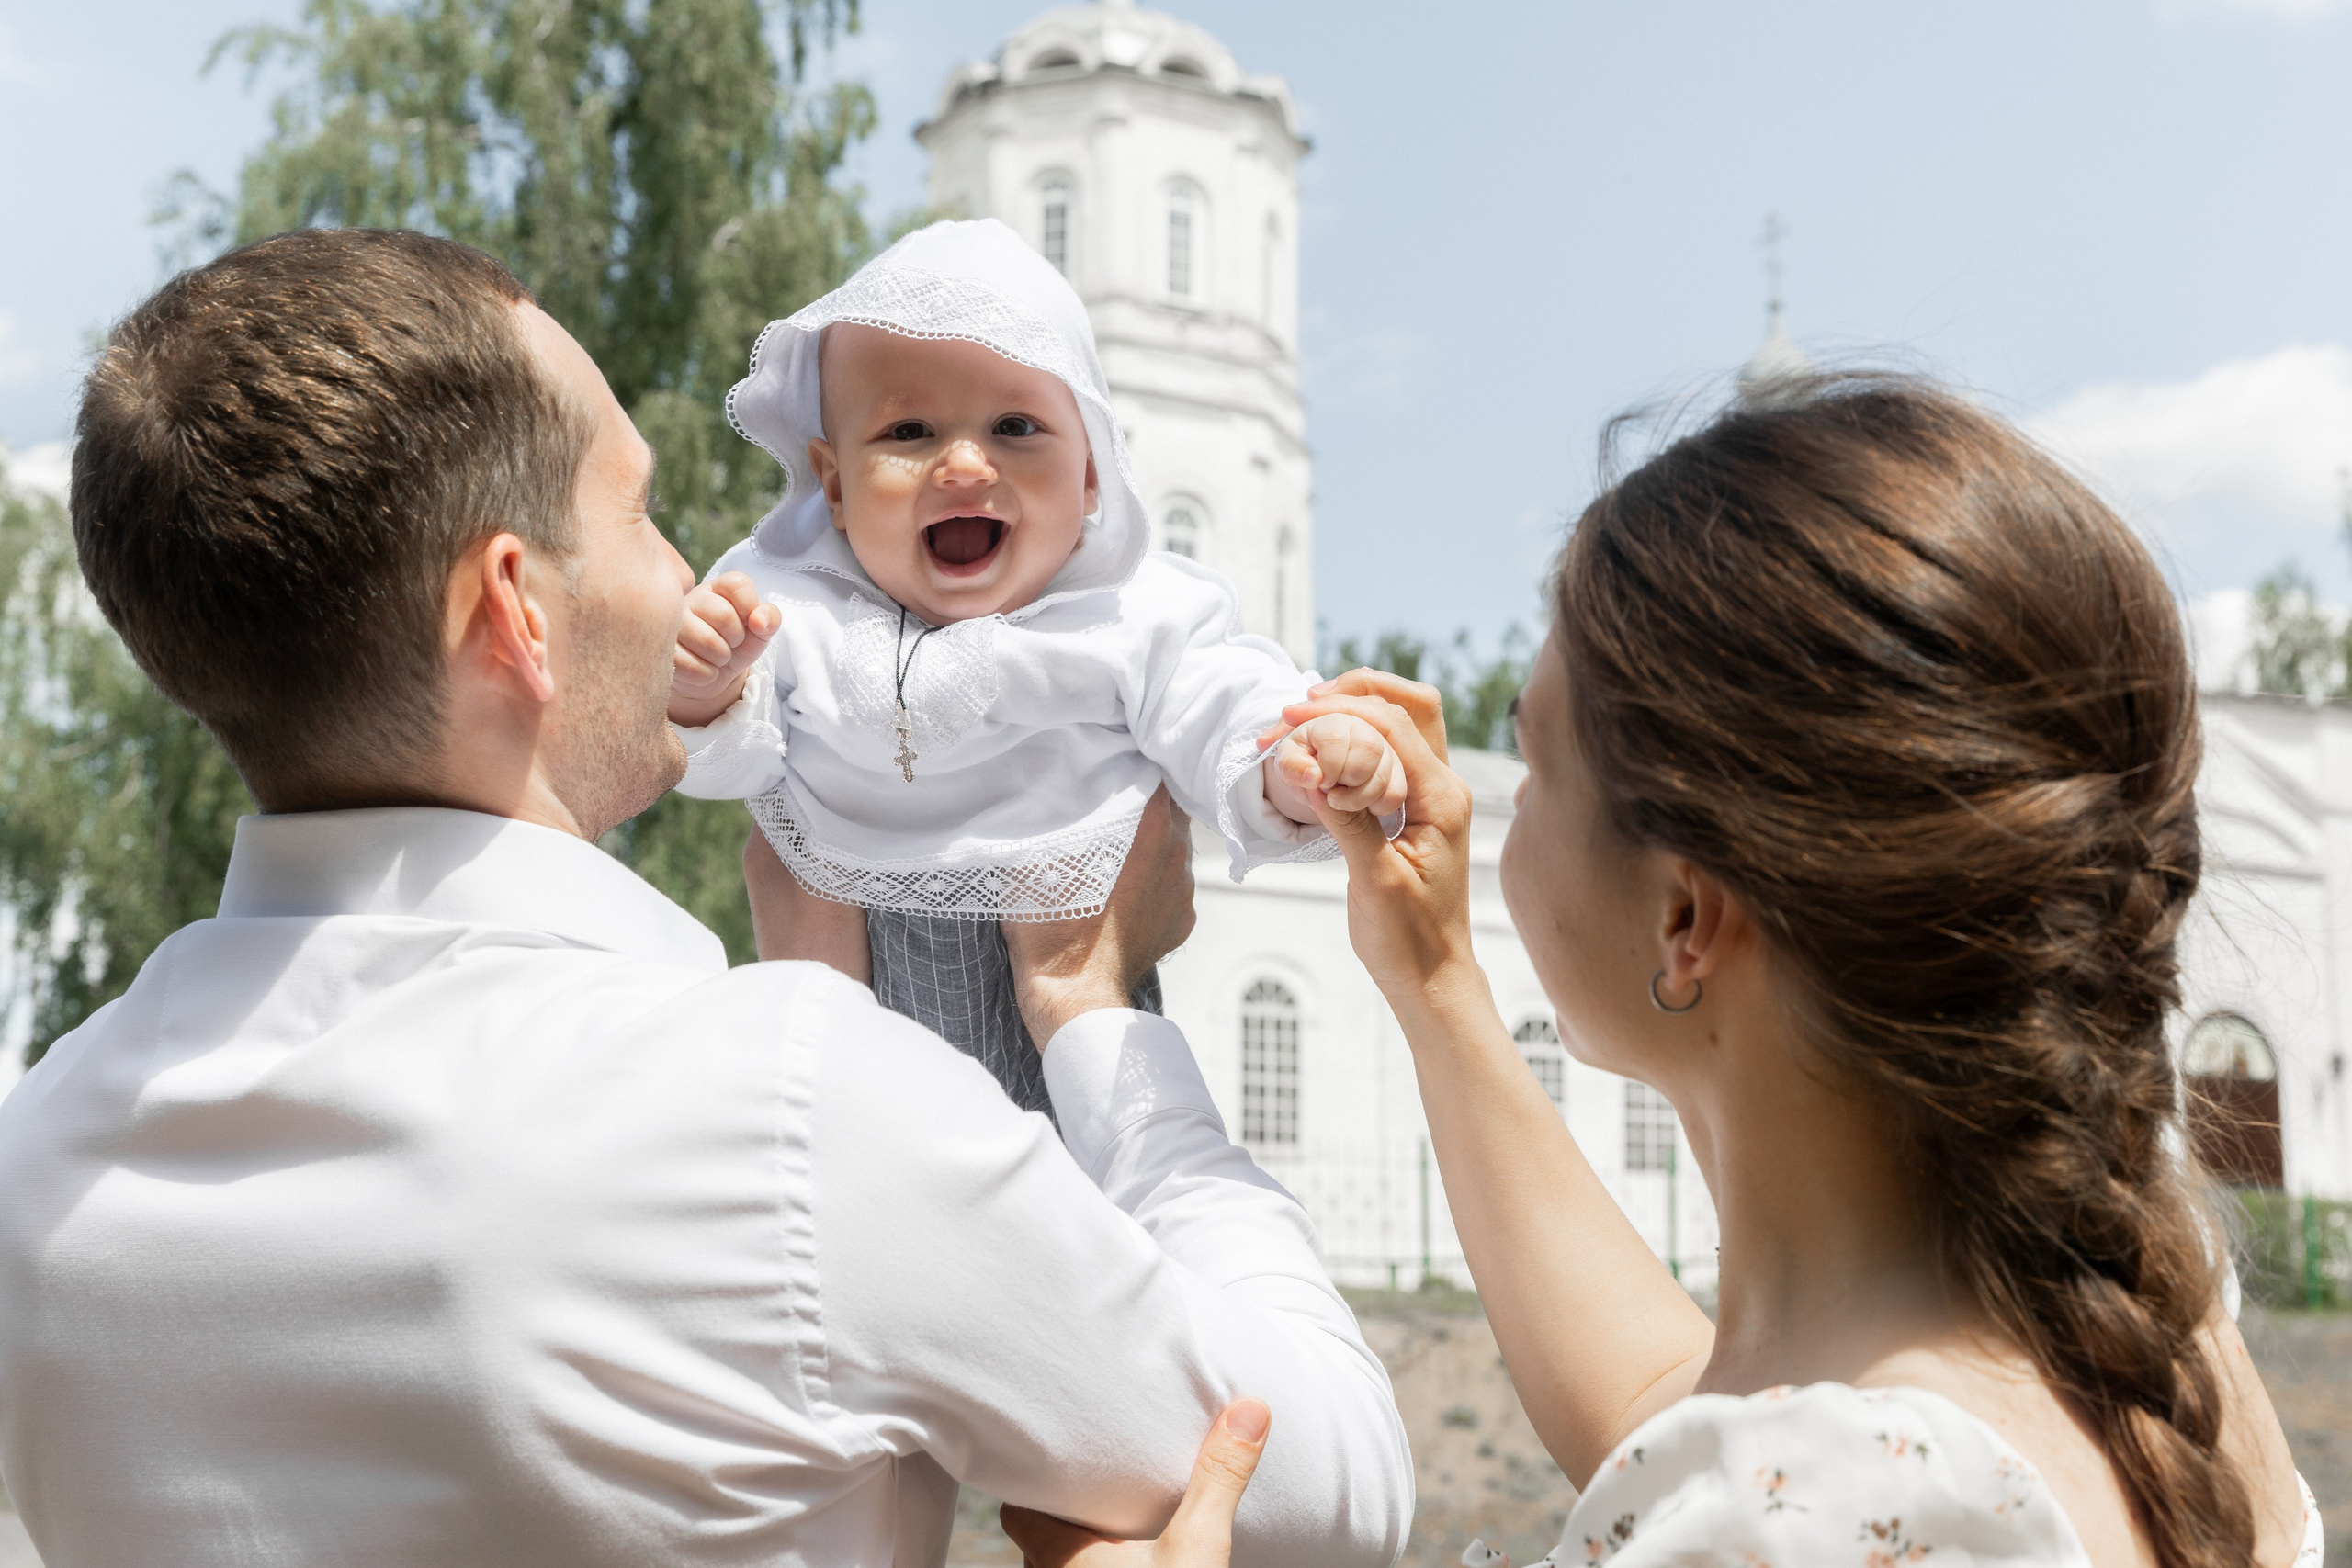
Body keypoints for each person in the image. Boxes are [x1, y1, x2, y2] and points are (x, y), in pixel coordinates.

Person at [0, 227, 1412, 1568]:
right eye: (642, 509)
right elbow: (1331, 1476)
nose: (693, 567)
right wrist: (1097, 1014)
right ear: (517, 610)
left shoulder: (42, 1163)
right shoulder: (789, 1106)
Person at [1060, 377, 2325, 1566]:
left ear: (1683, 914)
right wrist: (1435, 973)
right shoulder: (2145, 1333)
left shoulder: (1810, 1510)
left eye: (1536, 761)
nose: (1505, 801)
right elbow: (1663, 1399)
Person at [665, 218, 1402, 1115]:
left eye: (1016, 427)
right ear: (833, 486)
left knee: (1083, 1165)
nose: (967, 462)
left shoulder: (1129, 608)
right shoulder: (791, 602)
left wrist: (1293, 762)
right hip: (853, 966)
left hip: (1059, 954)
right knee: (850, 1164)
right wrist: (706, 693)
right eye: (910, 429)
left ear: (1092, 474)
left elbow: (1217, 699)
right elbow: (734, 761)